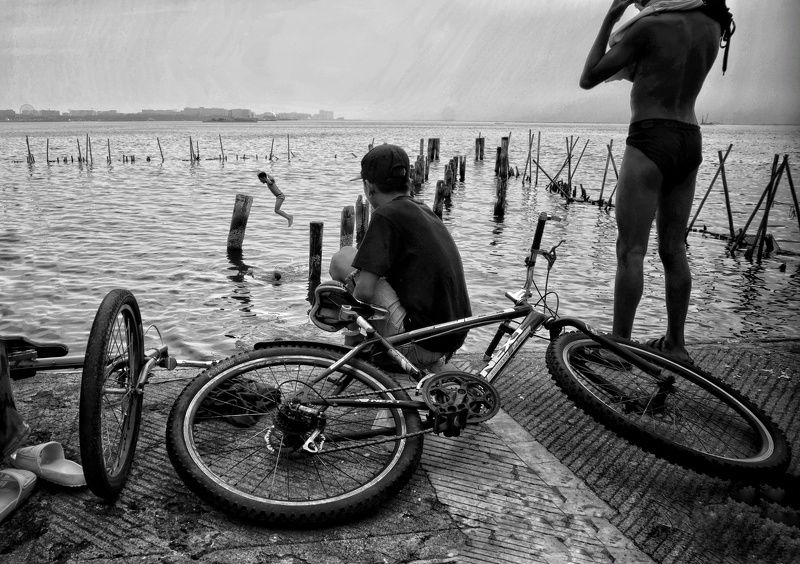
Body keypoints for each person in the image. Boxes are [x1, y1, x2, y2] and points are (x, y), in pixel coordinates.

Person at [579, 0, 734, 364]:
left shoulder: (648, 27)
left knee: (630, 250)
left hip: (651, 135)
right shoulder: (713, 26)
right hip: (689, 137)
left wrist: (612, 16)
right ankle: (676, 345)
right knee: (674, 248)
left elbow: (589, 77)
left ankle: (619, 347)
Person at [329, 144, 472, 371]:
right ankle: (367, 342)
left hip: (419, 344)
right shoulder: (424, 210)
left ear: (369, 187)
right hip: (450, 339)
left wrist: (349, 319)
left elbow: (364, 292)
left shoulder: (385, 215)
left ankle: (353, 343)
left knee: (342, 259)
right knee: (365, 270)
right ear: (408, 180)